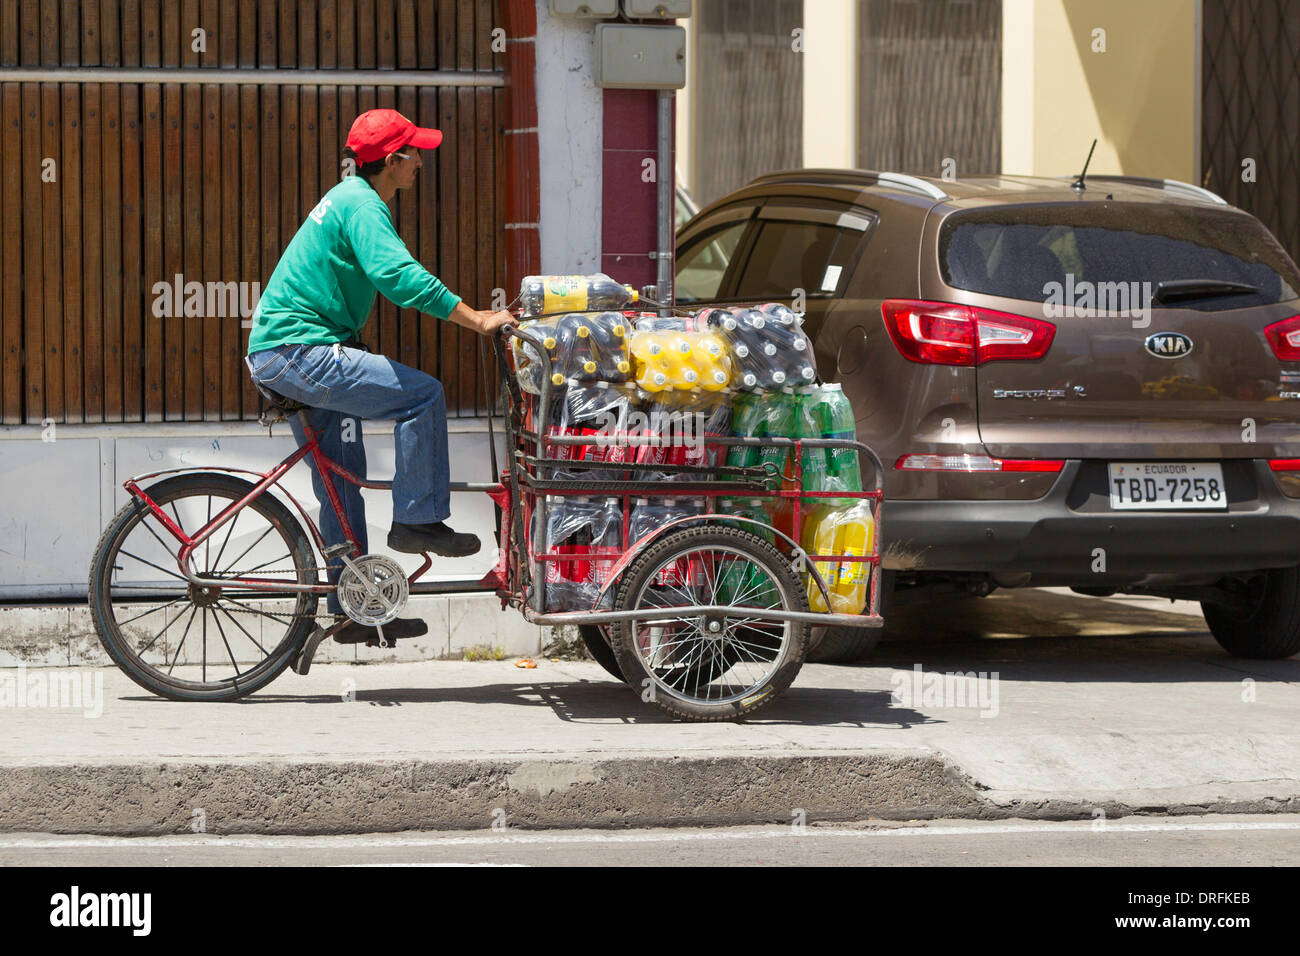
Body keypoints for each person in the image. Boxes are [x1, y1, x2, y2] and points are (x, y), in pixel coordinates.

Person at [245, 108, 512, 645]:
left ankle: (352, 608)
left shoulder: (348, 197)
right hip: (301, 351)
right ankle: (416, 520)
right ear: (393, 161)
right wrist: (478, 318)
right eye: (416, 154)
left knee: (342, 483)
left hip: (292, 350)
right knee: (422, 395)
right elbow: (398, 278)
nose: (421, 162)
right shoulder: (363, 205)